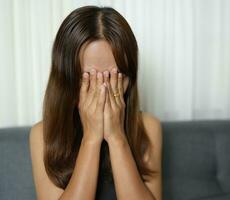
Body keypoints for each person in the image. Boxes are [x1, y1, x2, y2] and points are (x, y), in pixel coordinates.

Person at [29, 5, 162, 200]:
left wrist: (117, 138)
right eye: (90, 79)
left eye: (114, 77)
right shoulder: (43, 134)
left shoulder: (148, 128)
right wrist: (91, 138)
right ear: (67, 79)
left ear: (130, 76)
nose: (103, 89)